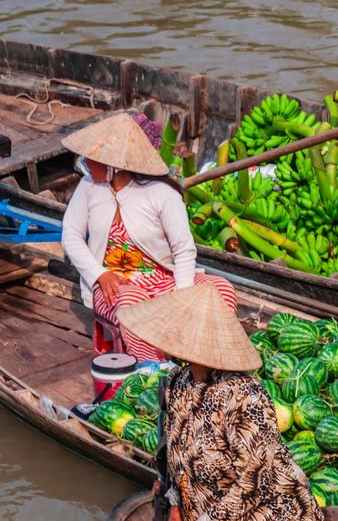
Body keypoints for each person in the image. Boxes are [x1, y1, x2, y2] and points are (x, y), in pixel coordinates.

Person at [128, 283, 338, 521]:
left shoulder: (245, 395)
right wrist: (177, 511)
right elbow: (175, 458)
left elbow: (254, 481)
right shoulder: (178, 386)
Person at [59, 112, 238, 361]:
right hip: (116, 287)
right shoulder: (88, 187)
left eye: (94, 157)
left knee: (222, 290)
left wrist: (182, 298)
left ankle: (205, 359)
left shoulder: (162, 193)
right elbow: (71, 236)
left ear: (115, 164)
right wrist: (99, 274)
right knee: (134, 307)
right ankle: (153, 369)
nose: (86, 162)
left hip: (165, 282)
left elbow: (183, 250)